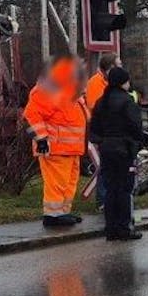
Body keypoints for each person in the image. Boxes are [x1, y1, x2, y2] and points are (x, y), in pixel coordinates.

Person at [23, 55, 88, 227]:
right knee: (57, 183)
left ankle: (62, 213)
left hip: (70, 148)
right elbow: (31, 115)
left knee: (68, 182)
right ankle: (53, 216)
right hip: (55, 147)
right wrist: (42, 138)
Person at [88, 66, 147, 241]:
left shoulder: (101, 102)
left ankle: (111, 228)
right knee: (125, 190)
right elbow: (136, 127)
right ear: (123, 82)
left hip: (106, 149)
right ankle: (125, 228)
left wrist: (103, 141)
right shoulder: (127, 102)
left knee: (111, 189)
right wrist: (138, 144)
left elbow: (94, 129)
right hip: (124, 150)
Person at [85, 54, 118, 209]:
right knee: (104, 167)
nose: (121, 66)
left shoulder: (108, 81)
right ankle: (103, 201)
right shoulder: (95, 82)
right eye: (118, 64)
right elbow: (95, 106)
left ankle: (109, 199)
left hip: (111, 131)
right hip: (103, 131)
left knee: (110, 167)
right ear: (110, 66)